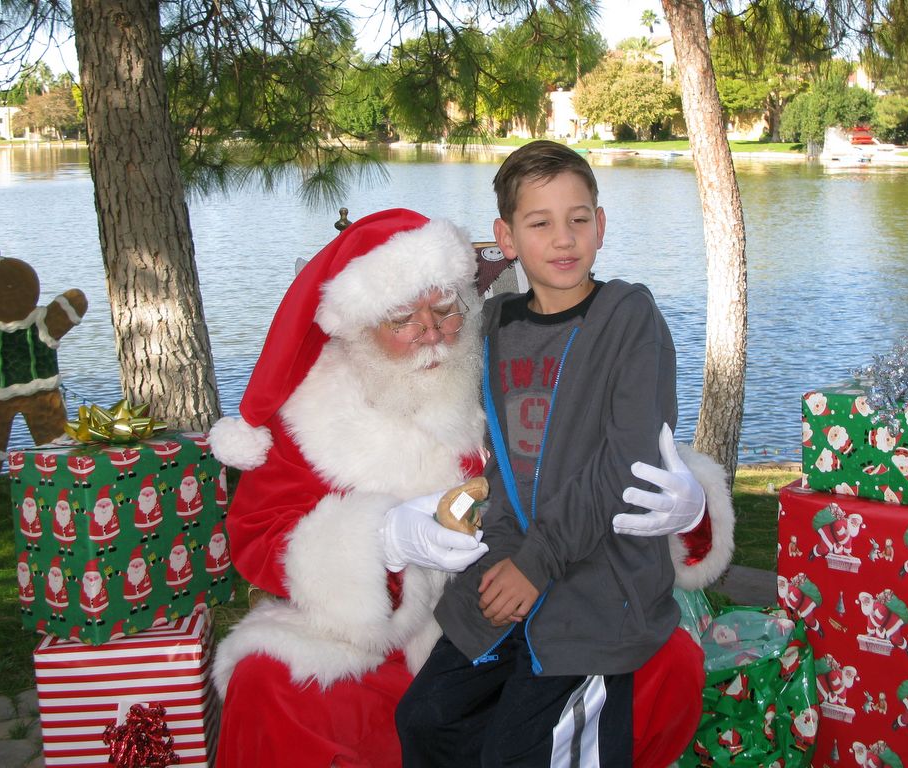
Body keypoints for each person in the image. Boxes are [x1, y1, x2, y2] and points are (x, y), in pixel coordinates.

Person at [208, 207, 732, 767]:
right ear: (360, 329)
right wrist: (382, 543)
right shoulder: (312, 413)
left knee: (663, 660)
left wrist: (690, 510)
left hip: (535, 603)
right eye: (402, 319)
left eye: (445, 309)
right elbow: (261, 535)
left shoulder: (515, 358)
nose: (431, 332)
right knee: (272, 682)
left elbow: (610, 455)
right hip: (383, 639)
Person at [397, 141, 726, 767]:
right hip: (506, 573)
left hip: (593, 588)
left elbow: (625, 465)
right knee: (426, 719)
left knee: (524, 753)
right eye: (539, 222)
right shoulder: (496, 325)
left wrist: (538, 563)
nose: (564, 238)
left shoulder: (628, 318)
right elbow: (420, 329)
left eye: (579, 218)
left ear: (601, 225)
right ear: (508, 236)